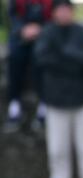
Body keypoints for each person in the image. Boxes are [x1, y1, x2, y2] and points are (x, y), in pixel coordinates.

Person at [34, 0, 83, 178]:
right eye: (60, 10)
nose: (64, 13)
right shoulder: (48, 33)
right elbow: (42, 60)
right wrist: (72, 60)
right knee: (57, 150)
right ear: (55, 13)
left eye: (67, 10)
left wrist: (66, 55)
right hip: (56, 100)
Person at [5, 0, 52, 130]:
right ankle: (14, 104)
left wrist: (41, 29)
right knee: (15, 57)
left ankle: (44, 105)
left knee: (42, 60)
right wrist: (23, 29)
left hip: (46, 36)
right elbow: (11, 15)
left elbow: (57, 14)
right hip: (21, 35)